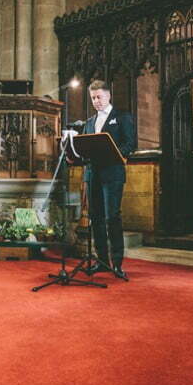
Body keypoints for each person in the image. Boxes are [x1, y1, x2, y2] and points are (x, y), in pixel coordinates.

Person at [79, 80, 136, 280]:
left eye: (99, 97)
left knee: (112, 217)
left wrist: (114, 153)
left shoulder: (122, 117)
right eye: (93, 98)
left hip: (113, 173)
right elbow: (84, 150)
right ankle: (102, 261)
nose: (96, 101)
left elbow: (130, 143)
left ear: (108, 95)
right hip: (93, 174)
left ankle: (117, 263)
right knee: (96, 218)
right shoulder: (89, 123)